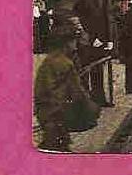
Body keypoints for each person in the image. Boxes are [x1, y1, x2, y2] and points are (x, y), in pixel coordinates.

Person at [34, 14, 95, 152]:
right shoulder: (66, 64)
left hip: (45, 113)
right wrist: (91, 108)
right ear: (66, 43)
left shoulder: (48, 61)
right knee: (57, 148)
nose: (75, 45)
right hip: (58, 114)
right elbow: (77, 92)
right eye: (73, 41)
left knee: (52, 144)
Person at [73, 0, 114, 107]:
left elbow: (106, 22)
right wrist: (92, 38)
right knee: (85, 71)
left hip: (99, 43)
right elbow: (81, 23)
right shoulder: (81, 4)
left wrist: (107, 40)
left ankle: (99, 98)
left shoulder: (103, 2)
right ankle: (85, 101)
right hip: (85, 43)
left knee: (98, 71)